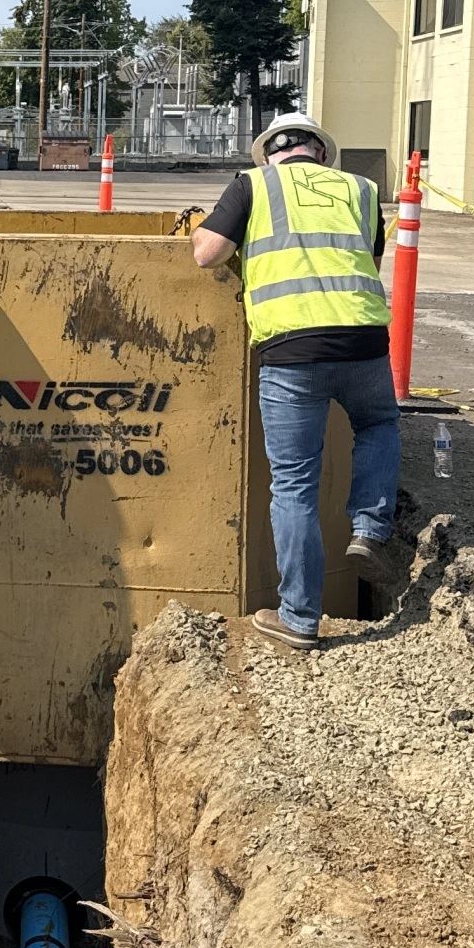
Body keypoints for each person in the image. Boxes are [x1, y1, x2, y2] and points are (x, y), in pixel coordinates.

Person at [189, 111, 398, 649]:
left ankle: (300, 619)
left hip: (292, 350)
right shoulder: (363, 189)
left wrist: (201, 227)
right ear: (319, 154)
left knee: (294, 484)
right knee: (377, 423)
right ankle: (371, 530)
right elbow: (366, 259)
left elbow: (208, 255)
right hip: (364, 341)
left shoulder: (252, 184)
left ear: (271, 153)